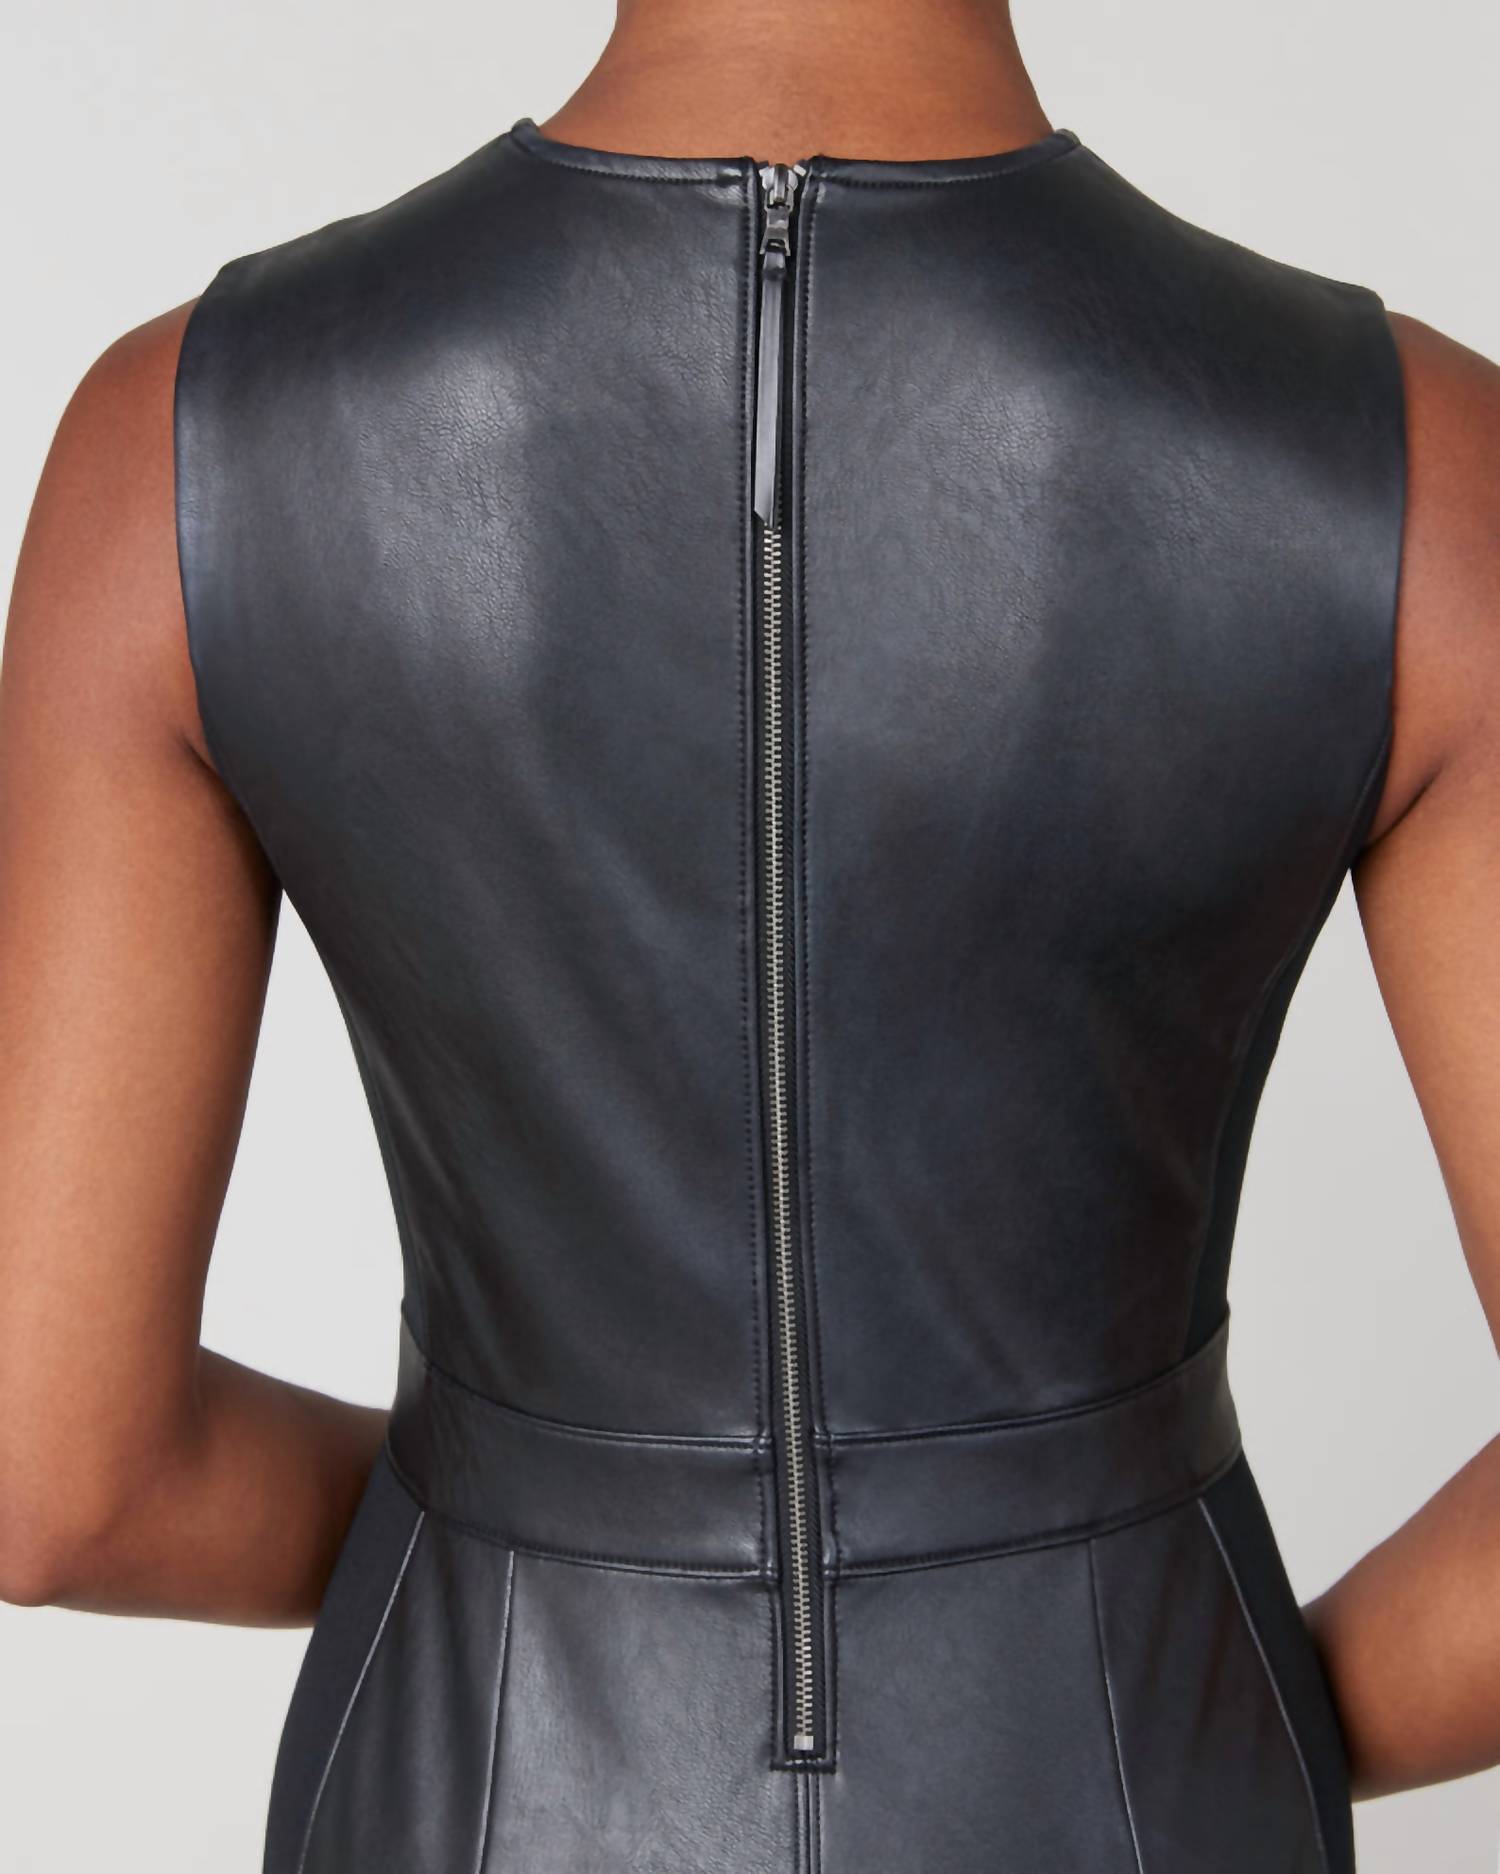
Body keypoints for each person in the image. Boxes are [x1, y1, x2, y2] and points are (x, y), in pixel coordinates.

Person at [3, 0, 1499, 1868]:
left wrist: (500, 1532)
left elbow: (60, 1473)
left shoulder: (180, 445)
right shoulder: (1415, 469)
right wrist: (1214, 1709)